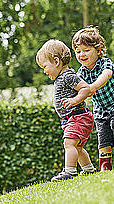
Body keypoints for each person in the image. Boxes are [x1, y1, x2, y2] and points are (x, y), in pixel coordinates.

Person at [72, 26, 114, 171]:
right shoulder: (80, 73)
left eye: (86, 50)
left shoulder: (105, 63)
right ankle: (105, 165)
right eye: (78, 51)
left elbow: (106, 76)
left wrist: (92, 87)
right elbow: (77, 88)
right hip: (100, 110)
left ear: (98, 50)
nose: (82, 54)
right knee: (103, 138)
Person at [36, 39, 98, 181]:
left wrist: (75, 100)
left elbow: (86, 89)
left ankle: (70, 171)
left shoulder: (68, 76)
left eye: (45, 66)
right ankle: (89, 169)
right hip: (72, 118)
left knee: (69, 144)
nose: (44, 71)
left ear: (56, 61)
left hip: (78, 116)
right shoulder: (60, 77)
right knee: (77, 147)